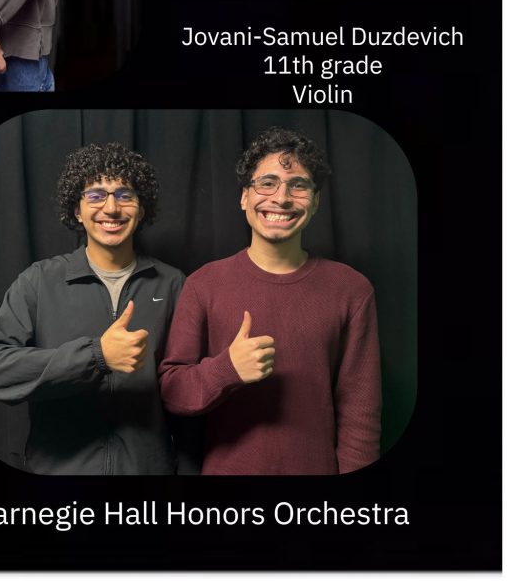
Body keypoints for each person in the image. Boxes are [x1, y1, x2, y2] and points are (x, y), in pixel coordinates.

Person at [159, 126, 381, 475]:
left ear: (316, 201)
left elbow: (361, 416)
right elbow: (173, 393)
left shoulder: (351, 289)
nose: (282, 198)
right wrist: (227, 368)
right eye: (267, 183)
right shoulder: (204, 283)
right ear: (244, 197)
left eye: (298, 185)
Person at [0, 142, 186, 475]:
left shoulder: (172, 285)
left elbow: (187, 386)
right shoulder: (39, 282)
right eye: (96, 195)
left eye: (125, 195)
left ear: (141, 210)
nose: (111, 208)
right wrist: (95, 356)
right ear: (77, 211)